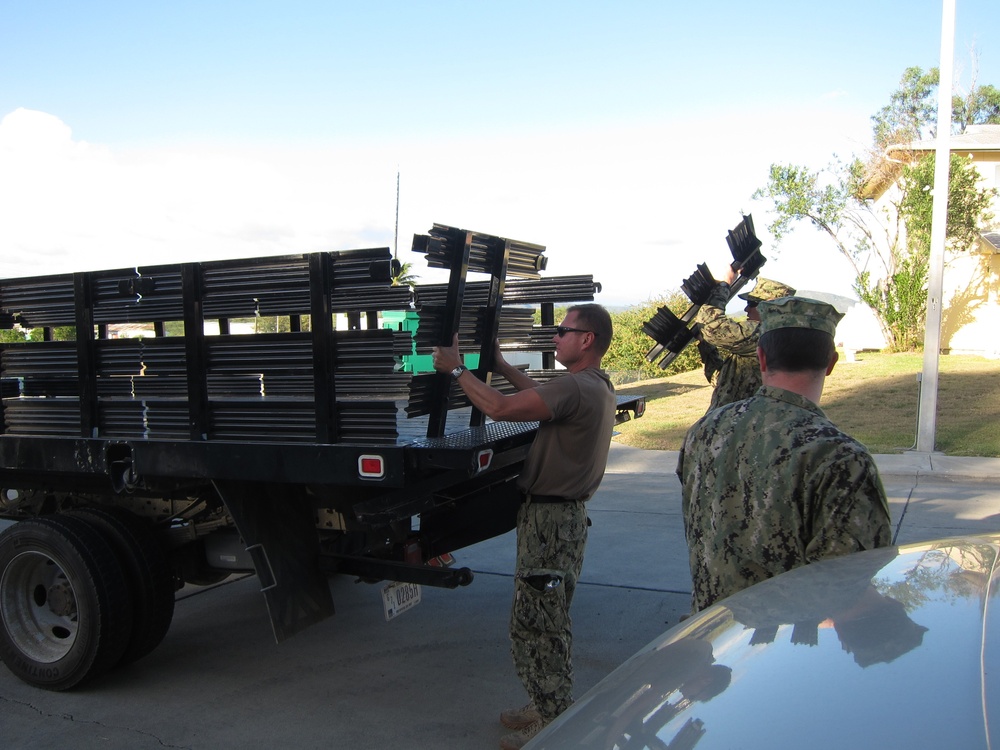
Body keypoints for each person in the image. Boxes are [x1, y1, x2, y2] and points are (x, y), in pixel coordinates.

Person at [432, 303, 617, 750]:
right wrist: (500, 365)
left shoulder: (577, 387)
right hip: (560, 520)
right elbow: (541, 397)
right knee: (549, 617)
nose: (555, 337)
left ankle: (554, 720)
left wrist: (458, 371)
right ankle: (546, 699)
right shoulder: (594, 386)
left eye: (562, 330)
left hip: (551, 523)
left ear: (586, 339)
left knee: (536, 625)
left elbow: (499, 408)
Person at [677, 296, 892, 614]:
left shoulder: (705, 430)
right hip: (790, 651)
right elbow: (851, 578)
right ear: (830, 363)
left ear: (761, 358)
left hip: (712, 636)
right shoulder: (841, 457)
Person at [694, 269, 796, 411]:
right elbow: (722, 382)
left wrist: (724, 285)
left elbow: (712, 326)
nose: (747, 308)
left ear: (772, 307)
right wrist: (705, 344)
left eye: (752, 303)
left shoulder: (765, 334)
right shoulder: (757, 340)